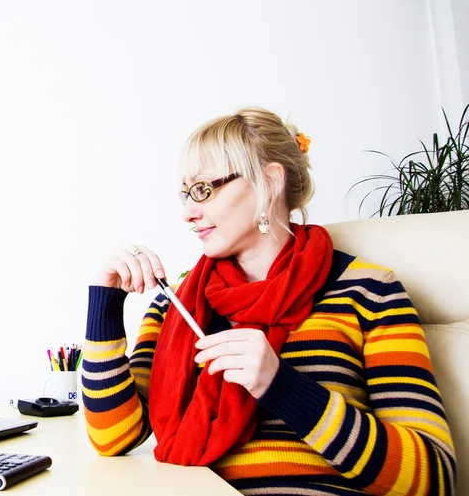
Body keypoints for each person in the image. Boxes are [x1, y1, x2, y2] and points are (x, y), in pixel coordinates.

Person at [81, 107, 456, 495]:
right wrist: (105, 303)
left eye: (204, 190)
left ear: (268, 182)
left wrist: (282, 387)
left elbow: (434, 478)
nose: (188, 213)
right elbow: (114, 438)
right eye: (186, 194)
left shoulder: (370, 291)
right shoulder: (177, 304)